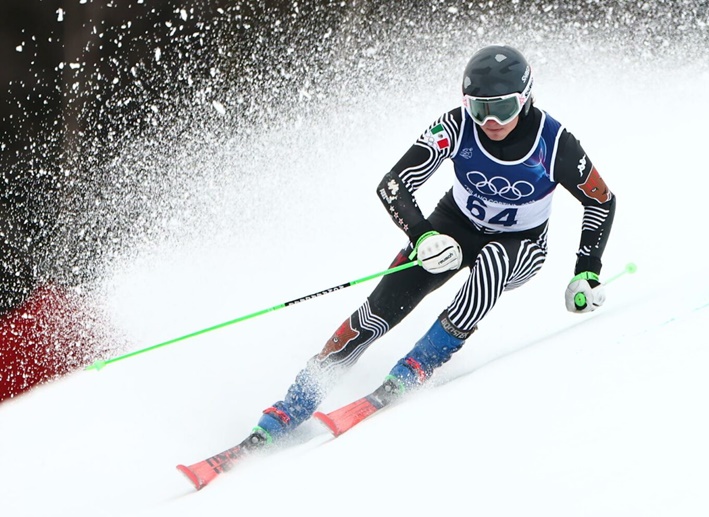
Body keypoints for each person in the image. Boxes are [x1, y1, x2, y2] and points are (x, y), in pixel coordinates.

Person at [248, 44, 615, 446]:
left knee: (491, 262)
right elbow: (393, 184)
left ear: (525, 99)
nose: (490, 121)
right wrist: (422, 235)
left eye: (504, 109)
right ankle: (293, 405)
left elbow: (599, 199)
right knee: (378, 311)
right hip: (453, 225)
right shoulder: (456, 127)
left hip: (521, 245)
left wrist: (587, 270)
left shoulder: (554, 142)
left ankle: (414, 369)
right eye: (479, 108)